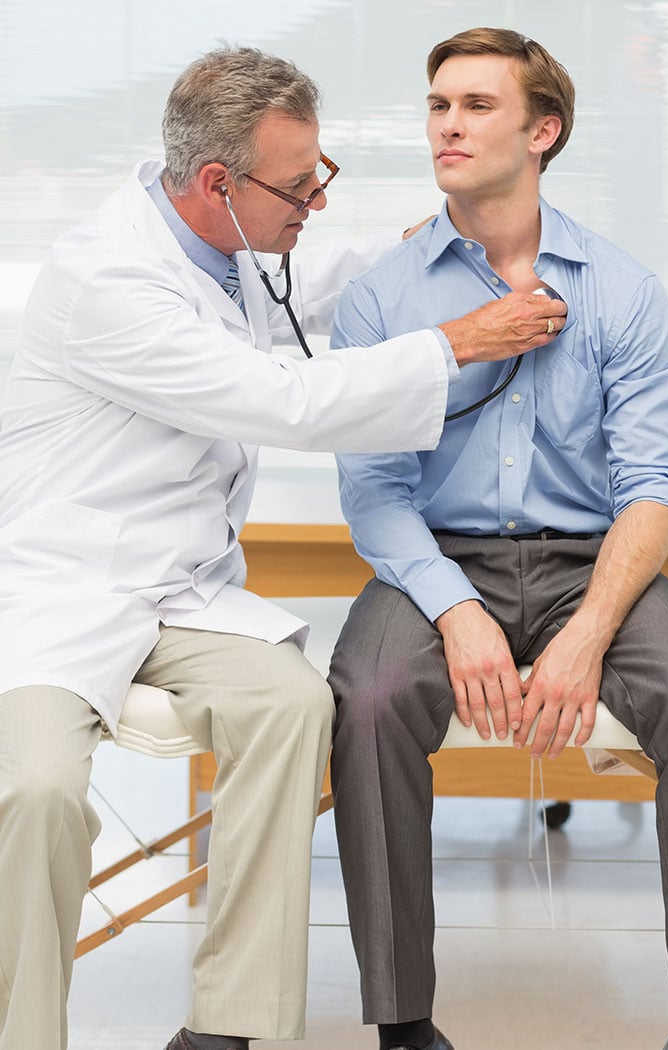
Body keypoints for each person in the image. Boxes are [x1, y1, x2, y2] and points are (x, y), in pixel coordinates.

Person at [0, 44, 569, 1050]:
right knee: (36, 789)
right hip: (66, 589)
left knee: (295, 703)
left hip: (181, 591)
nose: (313, 201)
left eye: (319, 177)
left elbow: (321, 298)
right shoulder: (110, 281)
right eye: (299, 186)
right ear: (218, 183)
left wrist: (430, 244)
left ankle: (227, 1024)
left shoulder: (222, 248)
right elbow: (284, 399)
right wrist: (458, 340)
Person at [327, 27, 668, 1050]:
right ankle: (402, 1023)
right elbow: (373, 487)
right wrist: (452, 607)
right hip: (434, 555)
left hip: (597, 560)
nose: (448, 123)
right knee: (368, 696)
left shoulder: (622, 291)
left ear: (544, 131)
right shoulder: (384, 296)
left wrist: (584, 634)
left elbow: (655, 485)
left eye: (477, 105)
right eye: (439, 103)